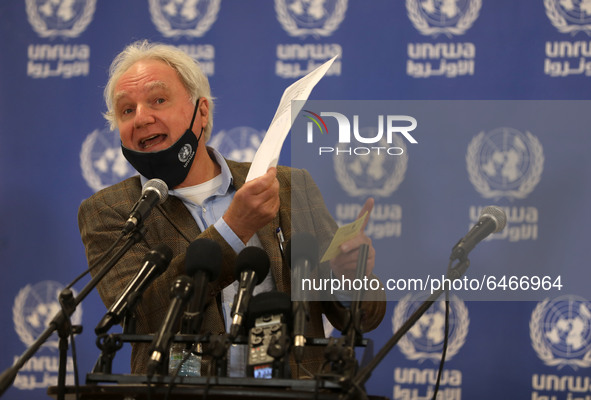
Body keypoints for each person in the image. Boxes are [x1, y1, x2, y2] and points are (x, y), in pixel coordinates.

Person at [78, 40, 386, 377]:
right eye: (126, 110)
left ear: (202, 111)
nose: (141, 118)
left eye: (158, 100)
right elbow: (144, 310)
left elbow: (363, 319)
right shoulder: (111, 210)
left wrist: (349, 277)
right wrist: (233, 229)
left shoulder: (288, 186)